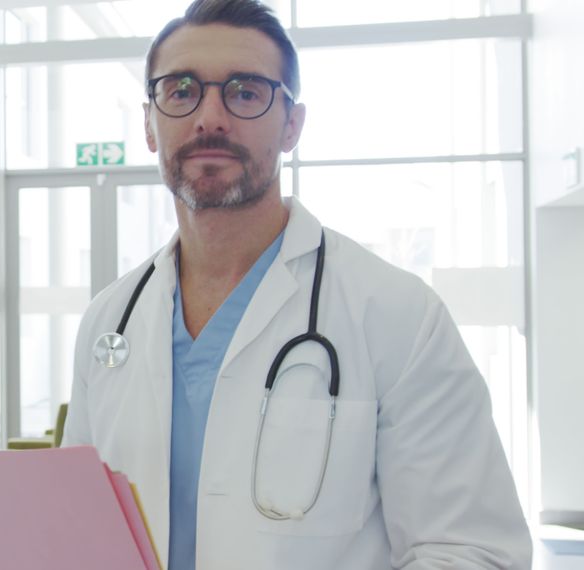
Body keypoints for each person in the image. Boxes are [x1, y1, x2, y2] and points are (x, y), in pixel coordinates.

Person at [61, 1, 532, 568]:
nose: (210, 117)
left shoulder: (397, 315)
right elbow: (77, 527)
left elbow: (472, 549)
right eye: (182, 90)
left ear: (292, 124)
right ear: (149, 124)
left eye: (246, 91)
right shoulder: (109, 320)